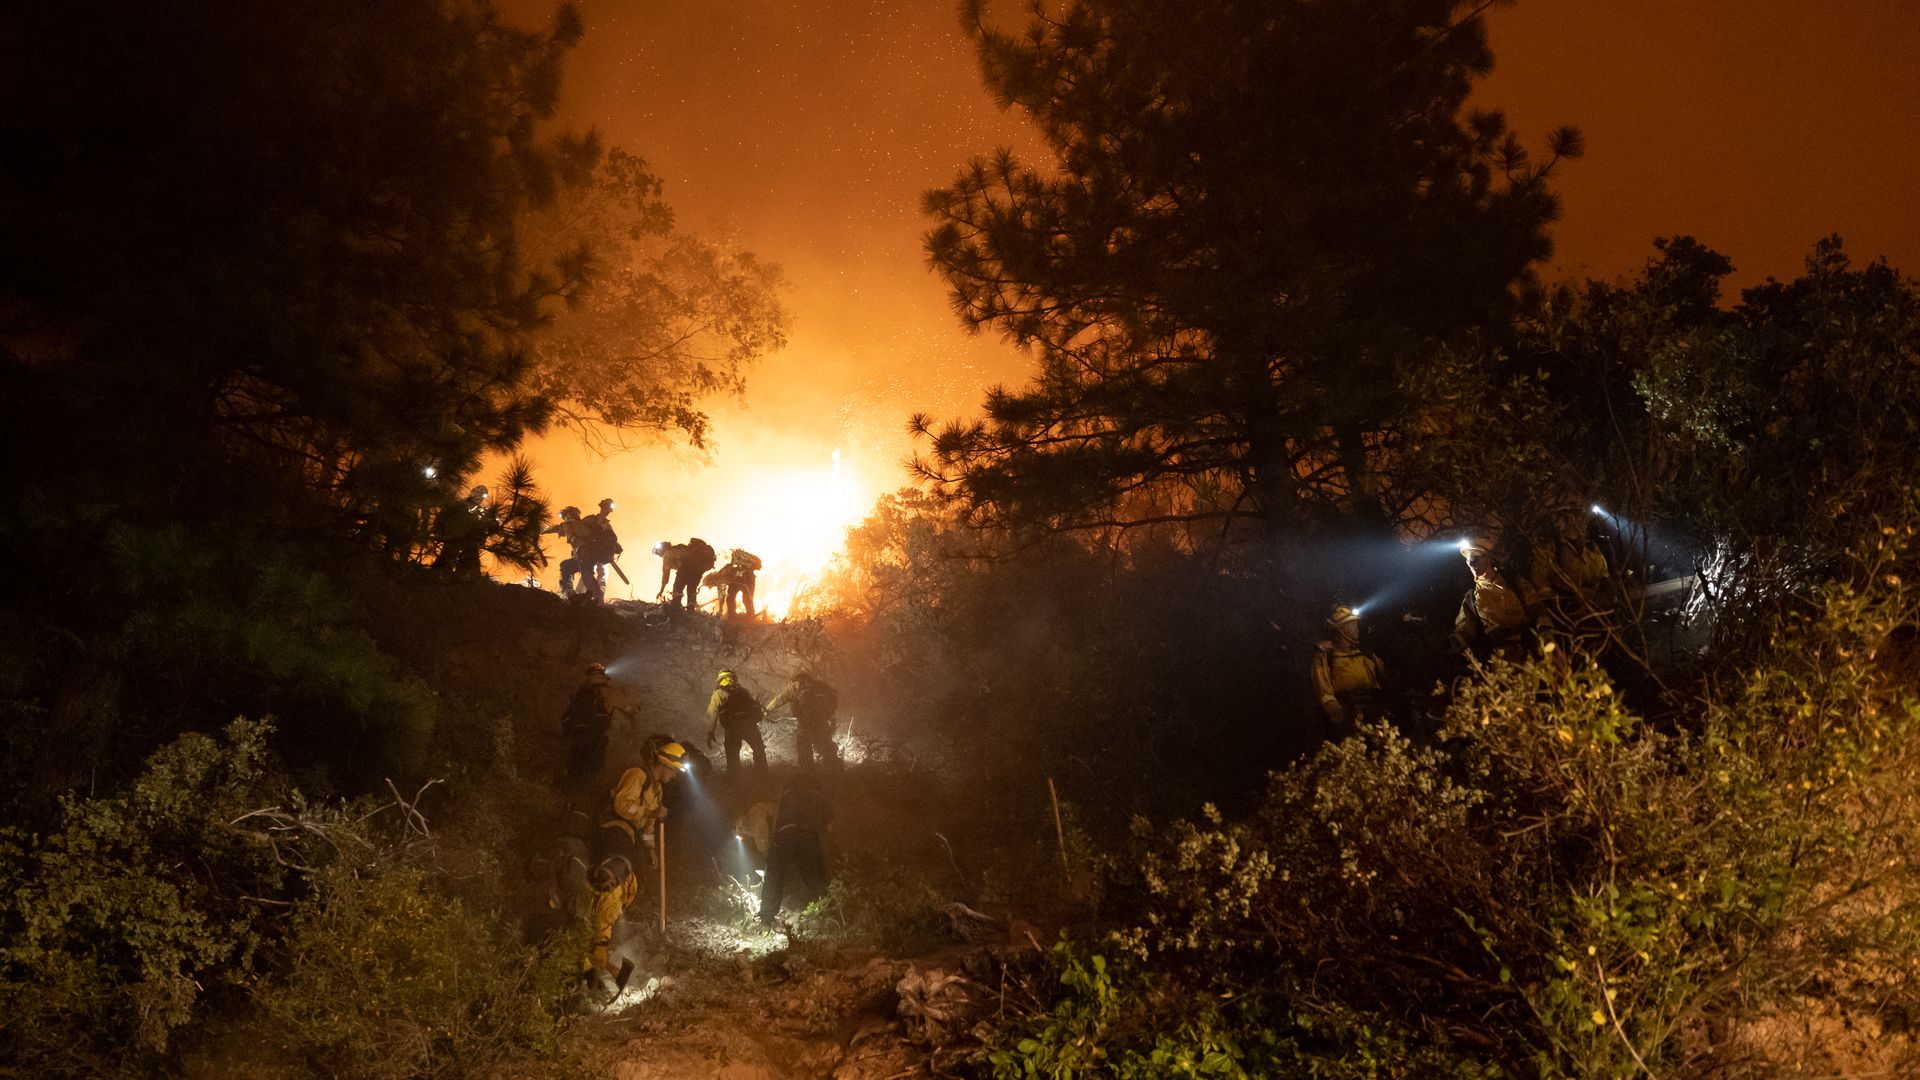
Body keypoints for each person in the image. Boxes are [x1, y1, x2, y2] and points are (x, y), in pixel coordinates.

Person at [593, 739, 689, 872]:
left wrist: (651, 849)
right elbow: (623, 805)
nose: (674, 775)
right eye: (674, 770)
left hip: (630, 835)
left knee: (634, 877)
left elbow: (648, 828)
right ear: (664, 763)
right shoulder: (637, 775)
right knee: (615, 876)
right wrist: (650, 812)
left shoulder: (657, 790)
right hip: (614, 831)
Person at [758, 775, 832, 927]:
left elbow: (776, 817)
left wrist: (772, 843)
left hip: (783, 836)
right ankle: (826, 915)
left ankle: (766, 921)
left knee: (774, 877)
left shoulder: (785, 795)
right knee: (815, 877)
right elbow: (828, 819)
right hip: (807, 837)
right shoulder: (816, 795)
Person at [559, 662, 640, 796]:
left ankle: (566, 798)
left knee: (575, 767)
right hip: (595, 738)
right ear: (602, 675)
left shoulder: (581, 691)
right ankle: (580, 803)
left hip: (577, 737)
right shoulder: (607, 691)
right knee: (591, 771)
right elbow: (630, 708)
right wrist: (635, 709)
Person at [1453, 536, 1536, 658]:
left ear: (1488, 559)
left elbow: (1537, 609)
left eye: (1475, 558)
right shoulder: (1471, 598)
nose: (1471, 563)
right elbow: (1464, 630)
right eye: (1468, 562)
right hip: (1502, 660)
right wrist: (1448, 643)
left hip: (1531, 649)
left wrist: (1546, 635)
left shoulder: (1515, 583)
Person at [1310, 605, 1385, 738]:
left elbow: (1381, 682)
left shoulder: (1366, 655)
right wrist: (1338, 715)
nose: (1357, 627)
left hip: (1374, 717)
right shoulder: (1325, 657)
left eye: (1356, 623)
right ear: (1341, 630)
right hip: (1346, 719)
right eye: (1352, 624)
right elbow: (1324, 693)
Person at [766, 671, 840, 769]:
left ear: (797, 679)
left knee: (804, 749)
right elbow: (832, 700)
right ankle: (834, 771)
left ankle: (808, 774)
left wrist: (766, 710)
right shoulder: (820, 686)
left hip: (805, 724)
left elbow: (779, 699)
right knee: (825, 747)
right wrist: (832, 720)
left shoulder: (795, 687)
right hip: (821, 722)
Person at [583, 855, 639, 985]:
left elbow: (604, 924)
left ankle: (597, 968)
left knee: (595, 947)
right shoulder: (605, 879)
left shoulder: (611, 901)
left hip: (604, 911)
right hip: (596, 909)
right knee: (593, 946)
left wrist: (600, 948)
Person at [706, 669, 767, 776]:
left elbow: (712, 714)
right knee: (759, 749)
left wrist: (710, 732)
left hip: (732, 729)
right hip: (749, 727)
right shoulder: (743, 691)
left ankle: (733, 779)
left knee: (732, 755)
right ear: (733, 678)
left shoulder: (718, 694)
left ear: (720, 679)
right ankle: (762, 775)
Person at [430, 485, 491, 575]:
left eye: (483, 495)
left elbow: (483, 528)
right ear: (473, 492)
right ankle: (436, 576)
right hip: (453, 538)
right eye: (478, 493)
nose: (480, 496)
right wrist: (438, 530)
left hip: (469, 543)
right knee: (446, 559)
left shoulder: (481, 513)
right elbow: (443, 515)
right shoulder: (459, 505)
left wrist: (481, 539)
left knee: (470, 564)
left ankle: (463, 581)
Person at [578, 498, 622, 603]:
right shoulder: (590, 520)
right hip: (590, 553)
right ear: (602, 507)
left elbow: (613, 540)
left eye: (609, 509)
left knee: (602, 573)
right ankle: (580, 595)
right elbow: (578, 530)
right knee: (588, 573)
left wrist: (616, 548)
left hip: (602, 555)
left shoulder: (607, 526)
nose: (607, 511)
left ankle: (599, 598)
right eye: (606, 508)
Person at [541, 506, 591, 597]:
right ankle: (589, 596)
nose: (564, 519)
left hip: (583, 555)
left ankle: (567, 592)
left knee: (566, 566)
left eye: (564, 516)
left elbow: (555, 528)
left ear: (568, 515)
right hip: (593, 556)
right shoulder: (584, 525)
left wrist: (540, 529)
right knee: (587, 576)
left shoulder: (569, 524)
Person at [719, 549, 762, 618]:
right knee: (731, 597)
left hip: (748, 580)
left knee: (747, 598)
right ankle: (732, 615)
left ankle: (750, 616)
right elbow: (730, 566)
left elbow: (758, 566)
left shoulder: (751, 560)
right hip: (737, 580)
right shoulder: (736, 565)